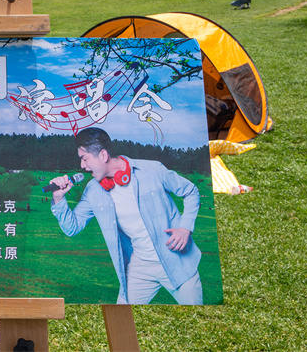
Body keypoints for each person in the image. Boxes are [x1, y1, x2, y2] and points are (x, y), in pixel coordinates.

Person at [48, 127, 203, 305]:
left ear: (103, 155)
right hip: (140, 268)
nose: (82, 165)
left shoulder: (152, 169)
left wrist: (185, 228)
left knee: (198, 316)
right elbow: (71, 228)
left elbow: (191, 191)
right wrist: (58, 198)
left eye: (84, 158)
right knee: (120, 316)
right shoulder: (93, 190)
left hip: (178, 262)